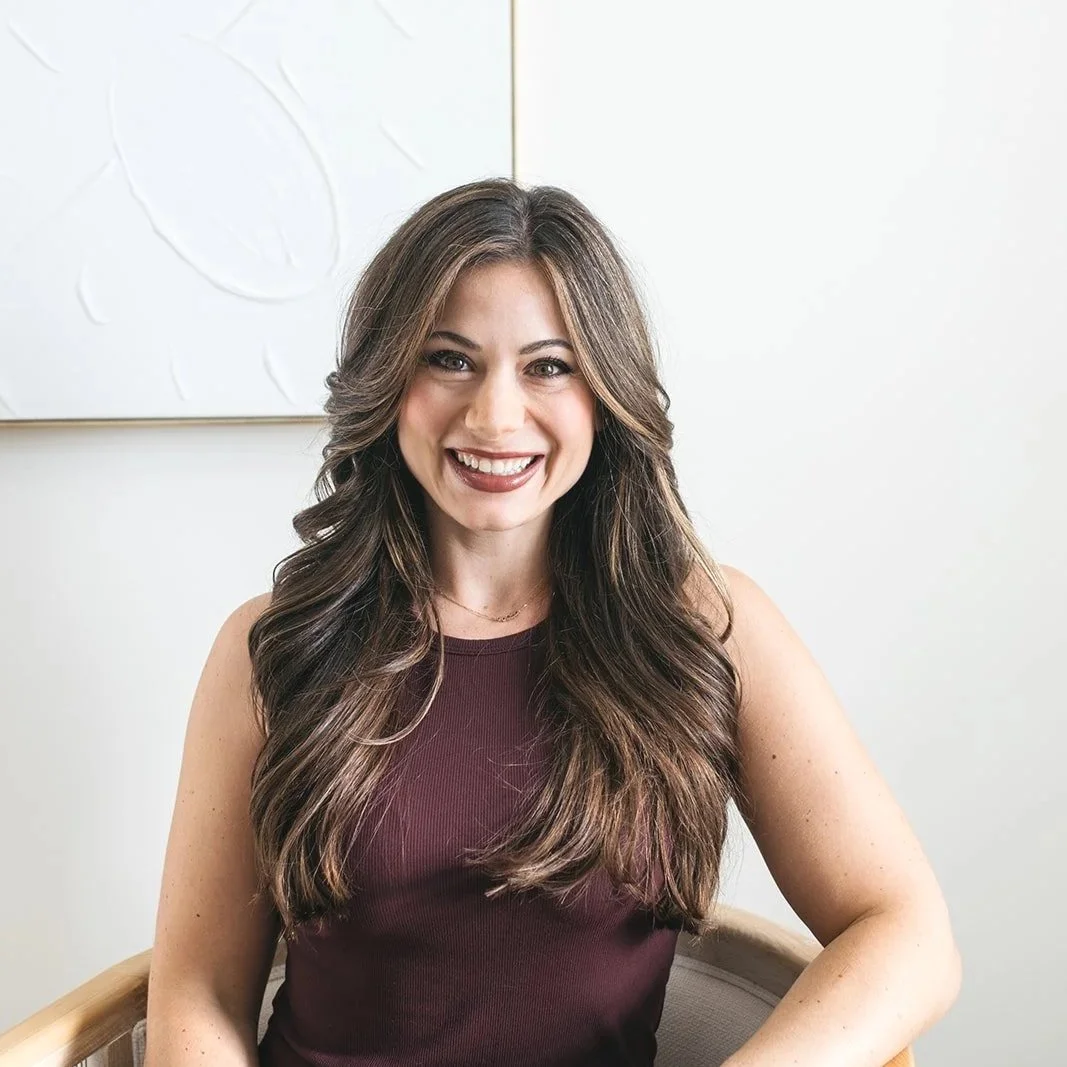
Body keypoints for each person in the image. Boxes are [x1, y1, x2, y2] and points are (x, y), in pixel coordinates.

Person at [144, 178, 961, 1067]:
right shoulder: (273, 647)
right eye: (449, 358)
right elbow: (200, 994)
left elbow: (907, 932)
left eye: (549, 365)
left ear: (605, 391)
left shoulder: (705, 629)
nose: (496, 414)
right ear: (390, 379)